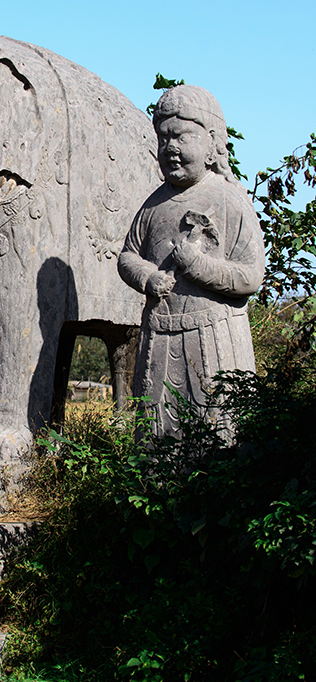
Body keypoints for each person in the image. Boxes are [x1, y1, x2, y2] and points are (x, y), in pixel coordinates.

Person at [118, 85, 265, 437]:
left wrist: (197, 265)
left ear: (211, 141)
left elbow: (250, 277)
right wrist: (148, 277)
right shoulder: (153, 205)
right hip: (159, 336)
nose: (170, 148)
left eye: (181, 137)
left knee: (219, 435)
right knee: (155, 439)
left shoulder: (230, 199)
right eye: (163, 139)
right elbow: (127, 255)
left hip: (215, 337)